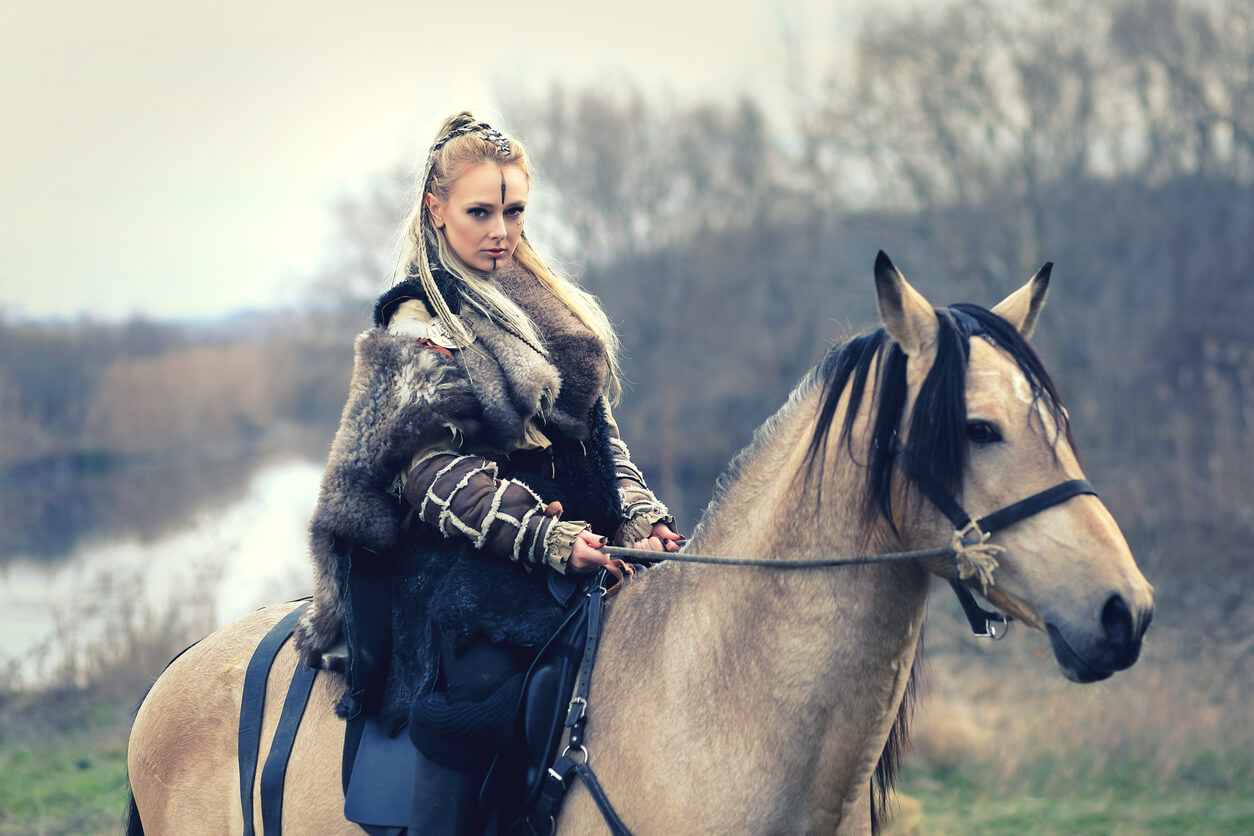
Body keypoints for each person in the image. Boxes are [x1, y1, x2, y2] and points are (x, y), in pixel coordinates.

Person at [292, 111, 680, 834]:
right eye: (480, 212)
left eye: (514, 210)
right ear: (436, 210)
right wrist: (548, 541)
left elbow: (599, 438)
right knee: (478, 695)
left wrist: (641, 518)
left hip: (572, 533)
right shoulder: (417, 322)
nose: (501, 229)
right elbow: (430, 474)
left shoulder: (549, 309)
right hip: (458, 558)